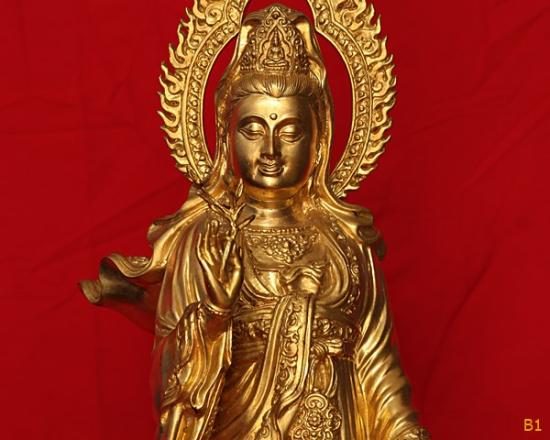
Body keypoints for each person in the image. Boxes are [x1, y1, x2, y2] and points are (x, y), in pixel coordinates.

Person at [81, 5, 429, 439]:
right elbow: (170, 384)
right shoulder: (206, 242)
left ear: (319, 141)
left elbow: (378, 370)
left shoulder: (348, 245)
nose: (270, 150)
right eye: (252, 129)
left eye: (290, 132)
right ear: (225, 136)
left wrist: (406, 432)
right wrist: (214, 314)